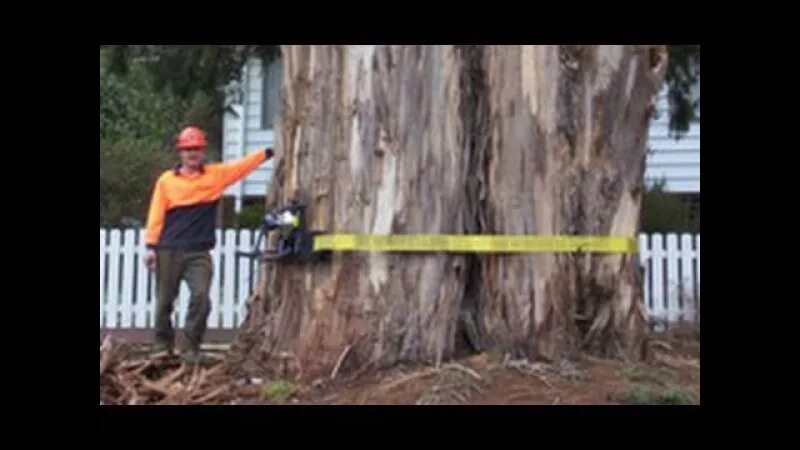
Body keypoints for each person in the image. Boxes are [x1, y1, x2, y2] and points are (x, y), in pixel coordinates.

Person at [144, 126, 274, 363]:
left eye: (196, 149)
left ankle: (190, 348)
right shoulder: (167, 181)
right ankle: (162, 346)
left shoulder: (215, 176)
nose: (192, 153)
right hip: (169, 249)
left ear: (202, 151)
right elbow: (156, 214)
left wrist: (266, 153)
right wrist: (151, 246)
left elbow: (241, 167)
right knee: (164, 301)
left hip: (199, 251)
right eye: (187, 149)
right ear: (180, 152)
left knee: (201, 297)